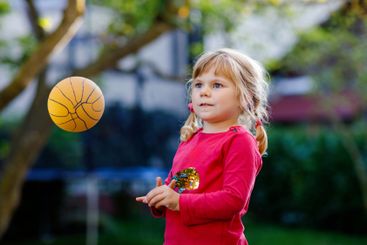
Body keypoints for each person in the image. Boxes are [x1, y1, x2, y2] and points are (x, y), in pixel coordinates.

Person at [136, 48, 269, 245]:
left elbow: (233, 200)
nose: (204, 92)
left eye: (217, 85)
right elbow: (184, 186)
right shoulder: (190, 138)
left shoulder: (240, 141)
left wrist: (178, 202)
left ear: (245, 97)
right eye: (198, 84)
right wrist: (161, 197)